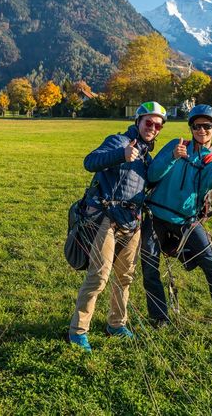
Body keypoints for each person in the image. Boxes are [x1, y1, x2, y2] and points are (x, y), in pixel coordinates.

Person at [68, 101, 167, 353]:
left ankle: (116, 324)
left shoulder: (147, 156)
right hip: (106, 218)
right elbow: (90, 161)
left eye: (158, 125)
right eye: (149, 122)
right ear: (138, 121)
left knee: (125, 277)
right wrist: (121, 156)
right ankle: (78, 331)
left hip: (132, 222)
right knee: (99, 276)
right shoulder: (118, 141)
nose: (153, 128)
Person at [141, 104, 212, 328]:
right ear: (191, 127)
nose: (202, 130)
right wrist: (173, 157)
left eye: (207, 126)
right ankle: (159, 317)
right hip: (156, 216)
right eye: (197, 126)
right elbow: (152, 174)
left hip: (188, 221)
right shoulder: (176, 146)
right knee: (149, 267)